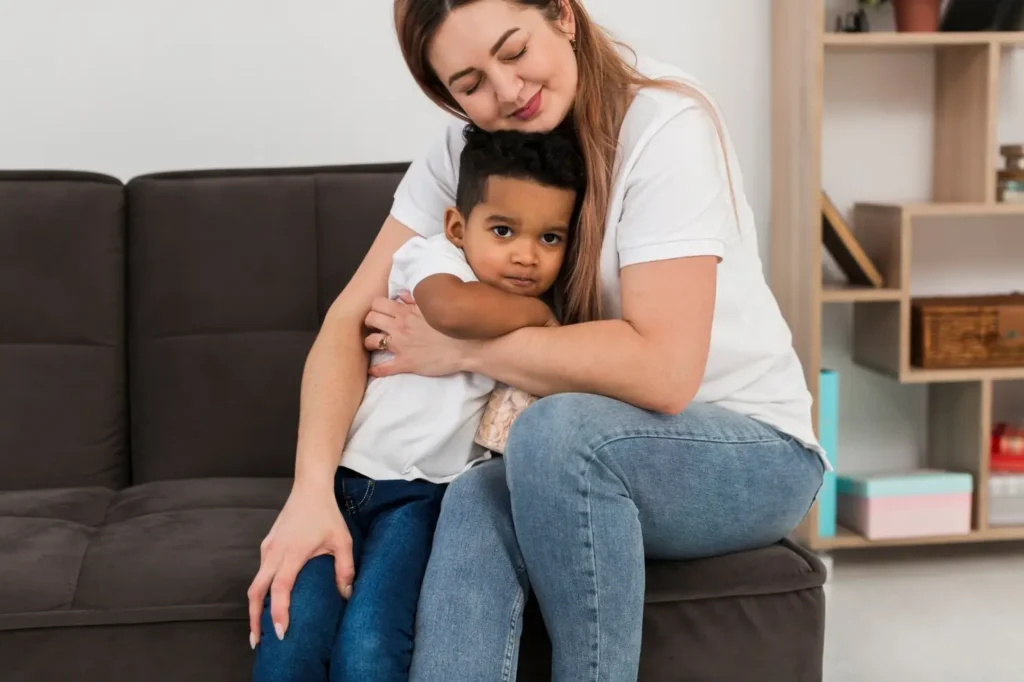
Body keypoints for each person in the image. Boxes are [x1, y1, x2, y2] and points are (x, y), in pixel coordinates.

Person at [248, 1, 831, 680]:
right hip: (575, 450)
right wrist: (311, 491)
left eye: (513, 50)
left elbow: (665, 373)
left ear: (562, 16)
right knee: (471, 494)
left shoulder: (665, 125)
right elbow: (350, 319)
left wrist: (464, 349)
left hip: (749, 452)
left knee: (554, 435)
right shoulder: (469, 152)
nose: (506, 91)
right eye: (469, 84)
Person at [248, 124, 586, 681]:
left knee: (372, 642)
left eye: (550, 238)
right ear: (458, 226)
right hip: (342, 482)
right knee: (292, 632)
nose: (526, 256)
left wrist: (541, 321)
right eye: (503, 230)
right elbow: (450, 311)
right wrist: (541, 317)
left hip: (422, 499)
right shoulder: (433, 259)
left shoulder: (520, 312)